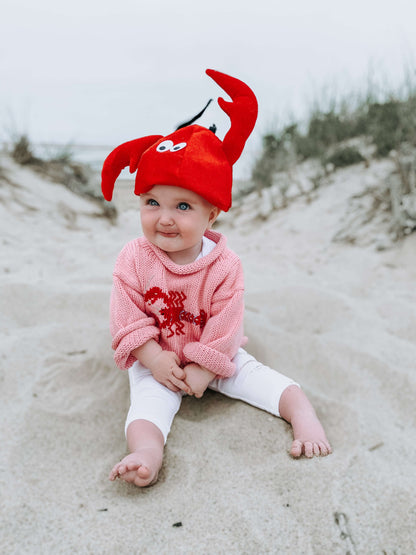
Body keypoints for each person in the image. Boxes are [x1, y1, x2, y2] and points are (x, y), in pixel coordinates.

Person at [102, 69, 332, 488]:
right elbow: (125, 315)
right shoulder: (134, 256)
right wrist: (152, 357)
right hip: (157, 358)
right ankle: (147, 453)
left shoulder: (224, 265)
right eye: (152, 202)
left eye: (183, 206)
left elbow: (227, 325)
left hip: (213, 354)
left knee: (262, 380)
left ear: (212, 213)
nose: (165, 218)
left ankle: (303, 415)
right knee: (147, 408)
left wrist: (208, 369)